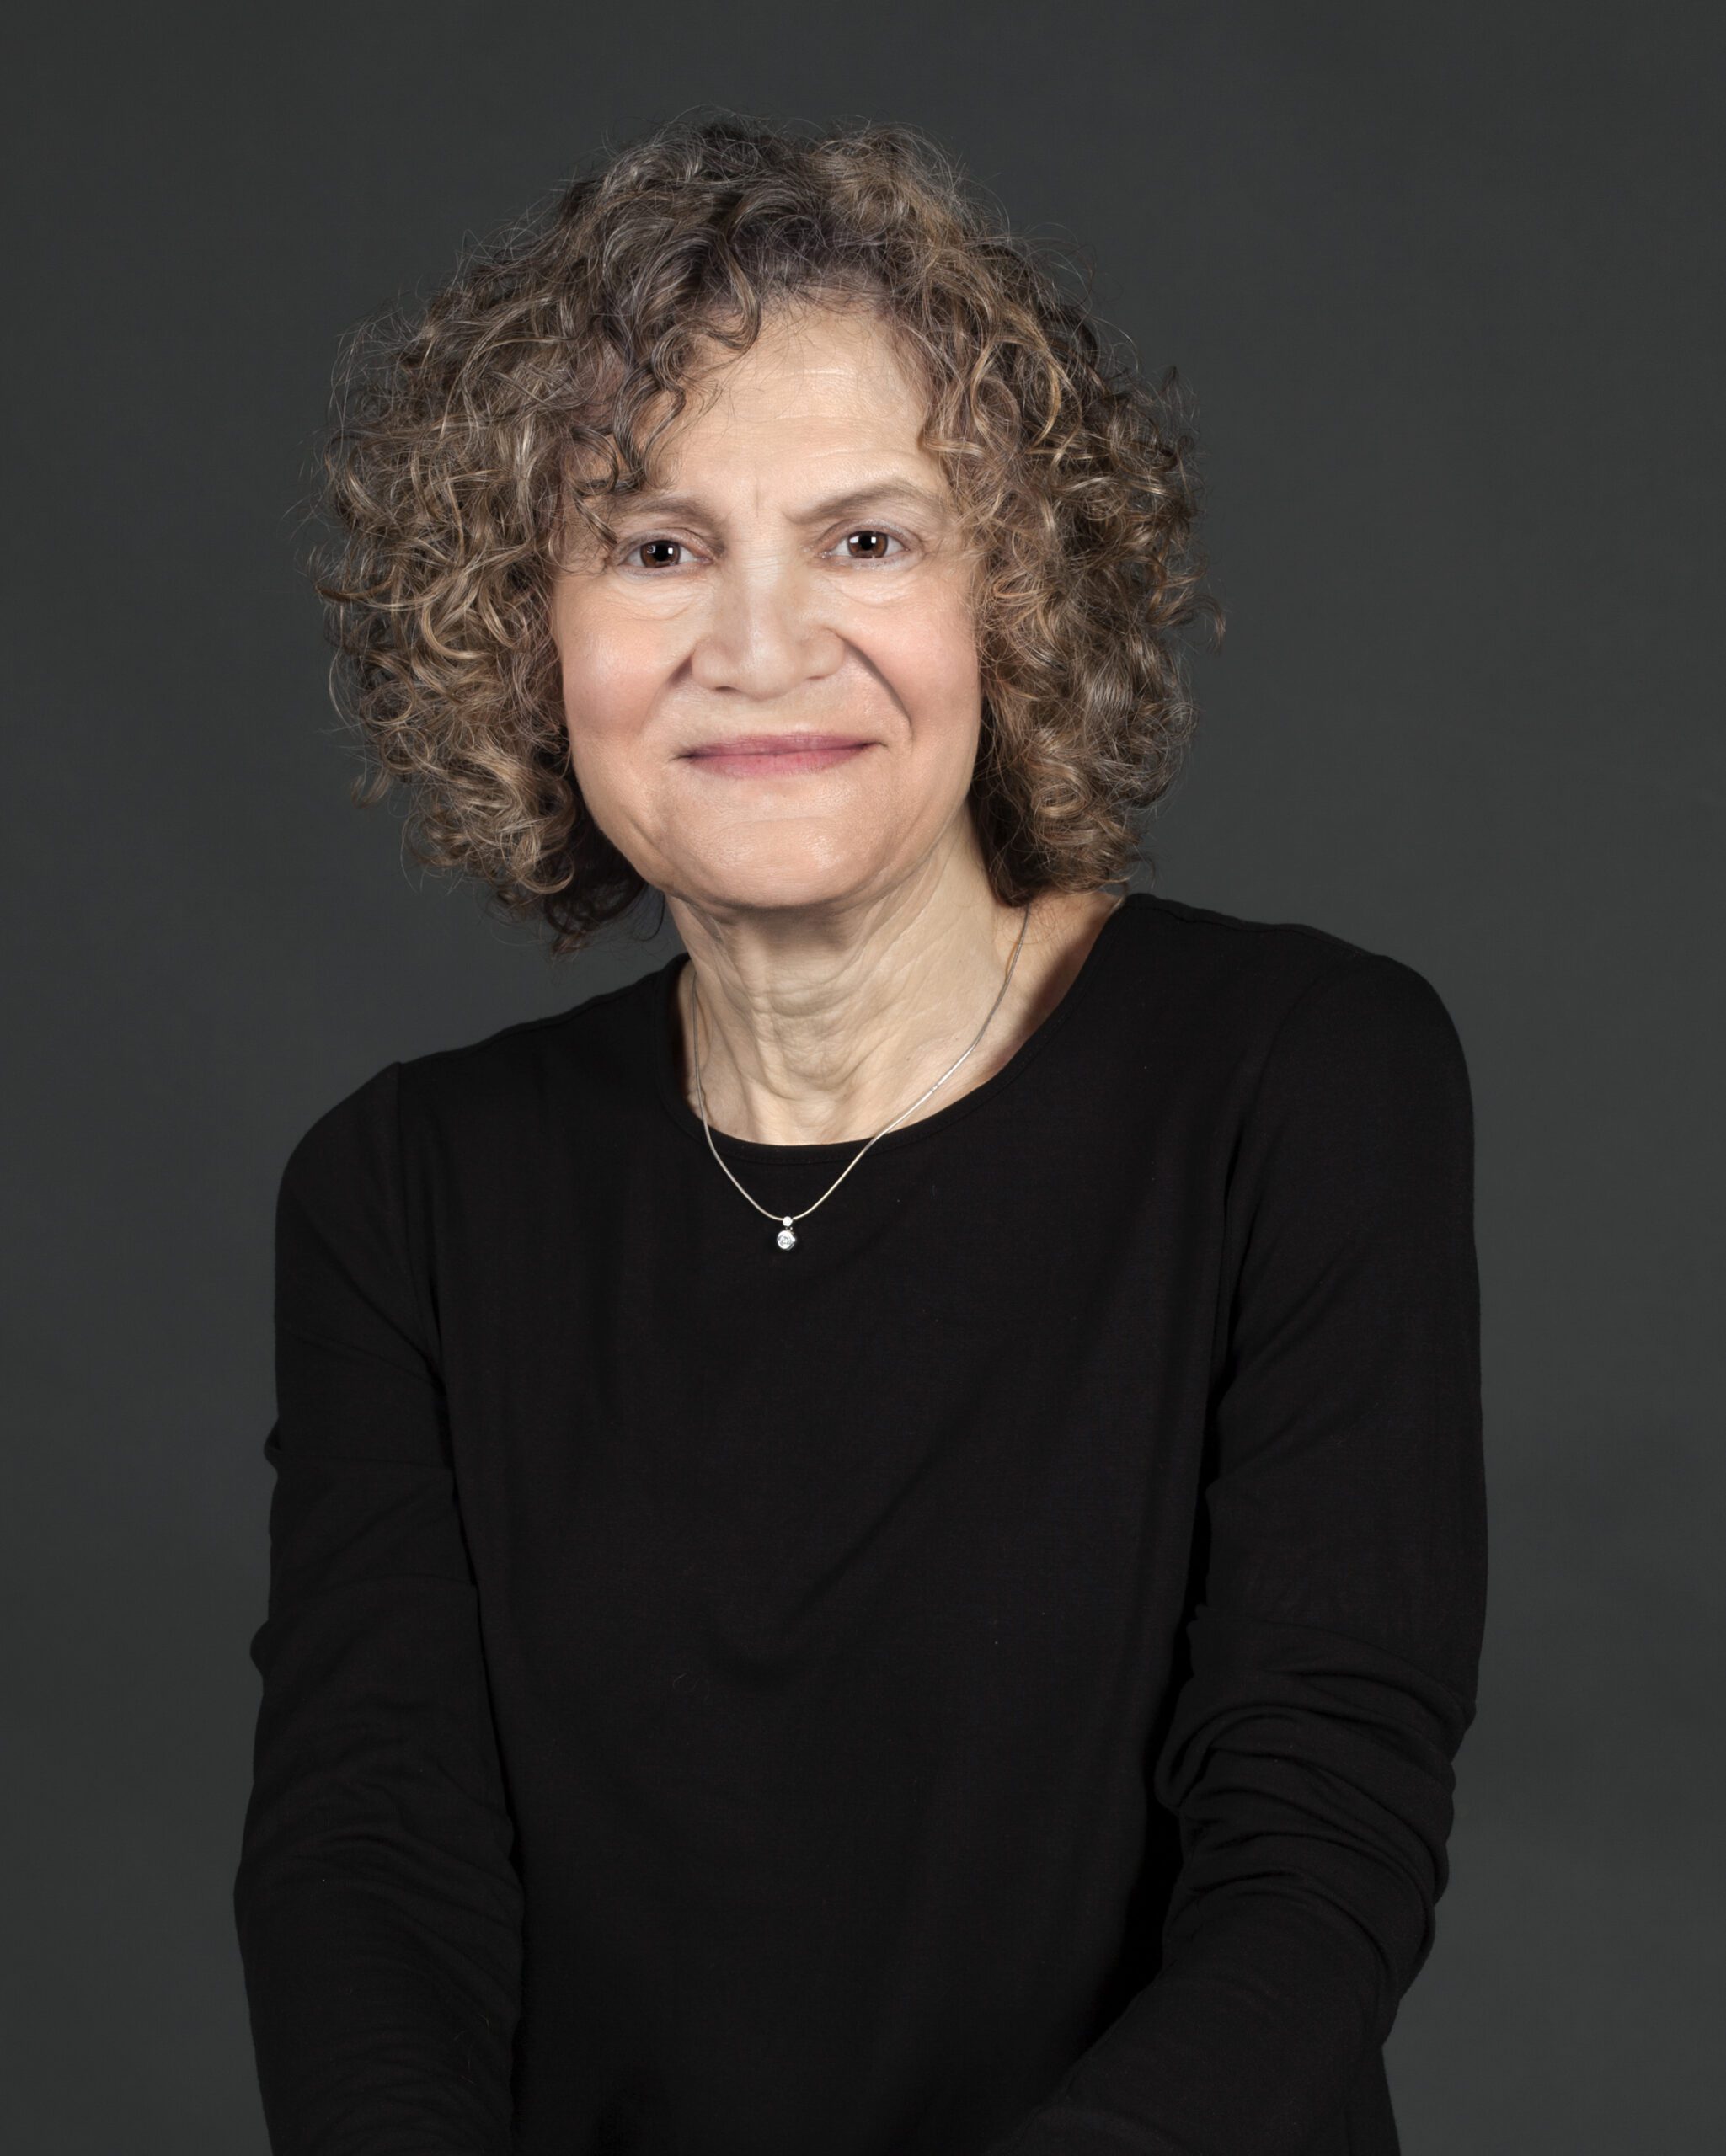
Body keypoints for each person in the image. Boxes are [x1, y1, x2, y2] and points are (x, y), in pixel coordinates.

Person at [233, 112, 1486, 2156]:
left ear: (1017, 597)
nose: (757, 647)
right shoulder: (406, 1194)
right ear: (525, 630)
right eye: (656, 547)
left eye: (868, 539)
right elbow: (370, 1867)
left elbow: (1317, 1844)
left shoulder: (1297, 1077)